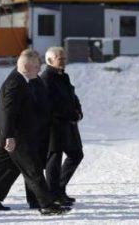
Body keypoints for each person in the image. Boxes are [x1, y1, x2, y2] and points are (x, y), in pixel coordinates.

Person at [0, 49, 69, 216]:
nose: (39, 67)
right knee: (33, 170)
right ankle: (46, 204)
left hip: (12, 136)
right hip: (14, 137)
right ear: (26, 66)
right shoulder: (15, 83)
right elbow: (7, 113)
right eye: (36, 65)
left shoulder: (24, 80)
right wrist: (9, 137)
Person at [41, 47, 84, 202]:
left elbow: (72, 96)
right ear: (50, 60)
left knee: (76, 154)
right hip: (55, 127)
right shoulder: (46, 78)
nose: (64, 61)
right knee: (54, 160)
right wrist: (70, 114)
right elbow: (50, 105)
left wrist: (78, 111)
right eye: (60, 58)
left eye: (64, 58)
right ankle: (53, 194)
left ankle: (59, 188)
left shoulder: (63, 76)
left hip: (69, 125)